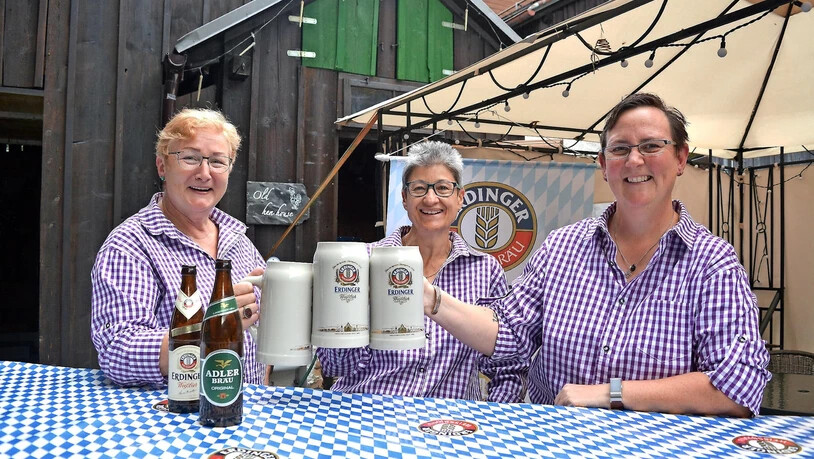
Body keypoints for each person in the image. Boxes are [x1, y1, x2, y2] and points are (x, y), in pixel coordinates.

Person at [421, 93, 770, 416]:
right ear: (603, 164)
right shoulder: (562, 248)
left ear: (680, 157)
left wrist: (612, 394)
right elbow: (508, 332)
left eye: (651, 146)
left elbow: (740, 385)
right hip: (555, 445)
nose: (634, 160)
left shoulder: (712, 263)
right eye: (620, 149)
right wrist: (432, 300)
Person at [316, 141, 523, 402]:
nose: (430, 199)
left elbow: (507, 365)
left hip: (449, 424)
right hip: (368, 414)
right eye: (419, 188)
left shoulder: (485, 270)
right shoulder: (363, 261)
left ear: (460, 197)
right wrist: (352, 308)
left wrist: (493, 420)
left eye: (443, 188)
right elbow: (336, 368)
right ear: (404, 198)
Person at [91, 108, 266, 386]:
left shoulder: (239, 240)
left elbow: (258, 335)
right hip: (174, 420)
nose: (204, 173)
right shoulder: (131, 244)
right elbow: (118, 351)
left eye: (218, 162)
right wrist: (212, 330)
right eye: (190, 158)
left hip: (245, 413)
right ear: (162, 166)